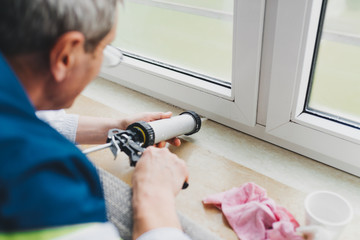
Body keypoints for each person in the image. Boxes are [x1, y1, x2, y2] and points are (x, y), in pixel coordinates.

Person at [0, 0, 190, 239]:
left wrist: (117, 127)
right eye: (104, 48)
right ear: (65, 56)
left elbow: (26, 117)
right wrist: (155, 196)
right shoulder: (45, 178)